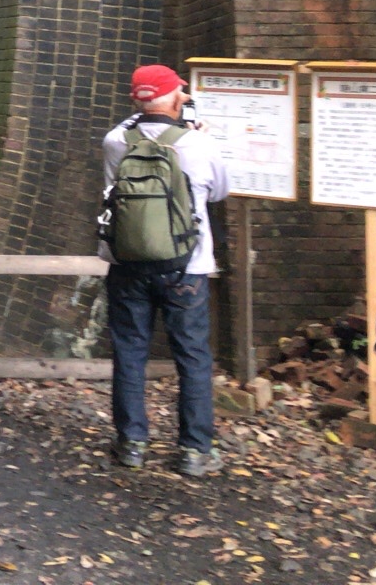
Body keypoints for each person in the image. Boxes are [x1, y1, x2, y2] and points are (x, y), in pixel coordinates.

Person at [100, 63, 231, 477]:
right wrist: (196, 131)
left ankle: (132, 443)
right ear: (176, 96)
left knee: (129, 350)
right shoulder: (197, 144)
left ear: (135, 99)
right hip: (186, 267)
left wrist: (148, 100)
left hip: (127, 263)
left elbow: (129, 131)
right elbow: (220, 193)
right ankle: (195, 450)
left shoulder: (115, 141)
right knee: (192, 356)